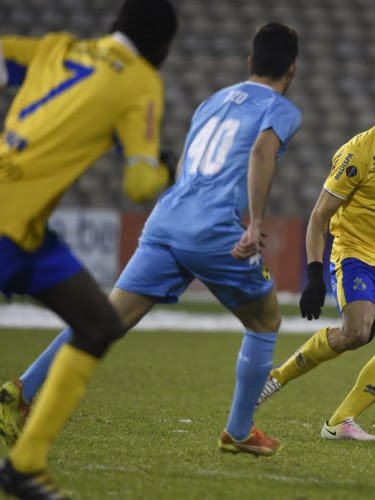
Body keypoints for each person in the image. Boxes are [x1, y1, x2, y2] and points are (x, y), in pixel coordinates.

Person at [1, 21, 301, 468]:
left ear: (249, 63)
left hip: (167, 218)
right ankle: (238, 431)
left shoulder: (212, 100)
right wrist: (254, 224)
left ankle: (20, 392)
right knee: (265, 321)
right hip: (214, 228)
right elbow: (260, 152)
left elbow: (184, 162)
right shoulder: (281, 107)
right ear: (291, 70)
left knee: (104, 318)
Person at [0, 1, 176, 497]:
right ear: (162, 47)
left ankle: (24, 465)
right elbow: (141, 185)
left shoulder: (57, 46)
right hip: (8, 227)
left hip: (29, 231)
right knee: (99, 327)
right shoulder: (140, 81)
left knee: (99, 321)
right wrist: (165, 167)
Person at [255, 81, 375, 441]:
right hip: (355, 253)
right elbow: (319, 217)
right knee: (357, 333)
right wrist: (314, 274)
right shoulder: (357, 153)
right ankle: (278, 376)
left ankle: (339, 422)